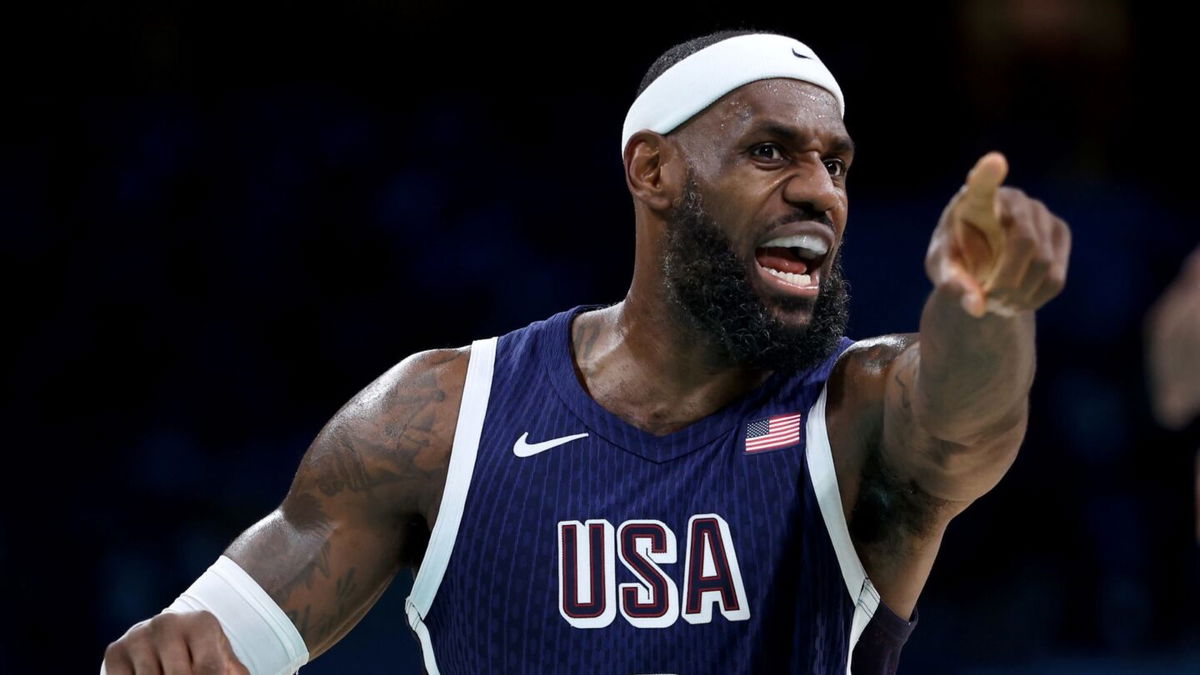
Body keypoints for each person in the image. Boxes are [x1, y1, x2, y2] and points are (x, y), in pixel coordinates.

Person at [100, 30, 1072, 674]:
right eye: (772, 152)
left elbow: (960, 415)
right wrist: (170, 654)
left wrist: (986, 306)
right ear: (652, 170)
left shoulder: (853, 415)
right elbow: (190, 648)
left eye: (836, 162)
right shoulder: (441, 419)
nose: (821, 188)